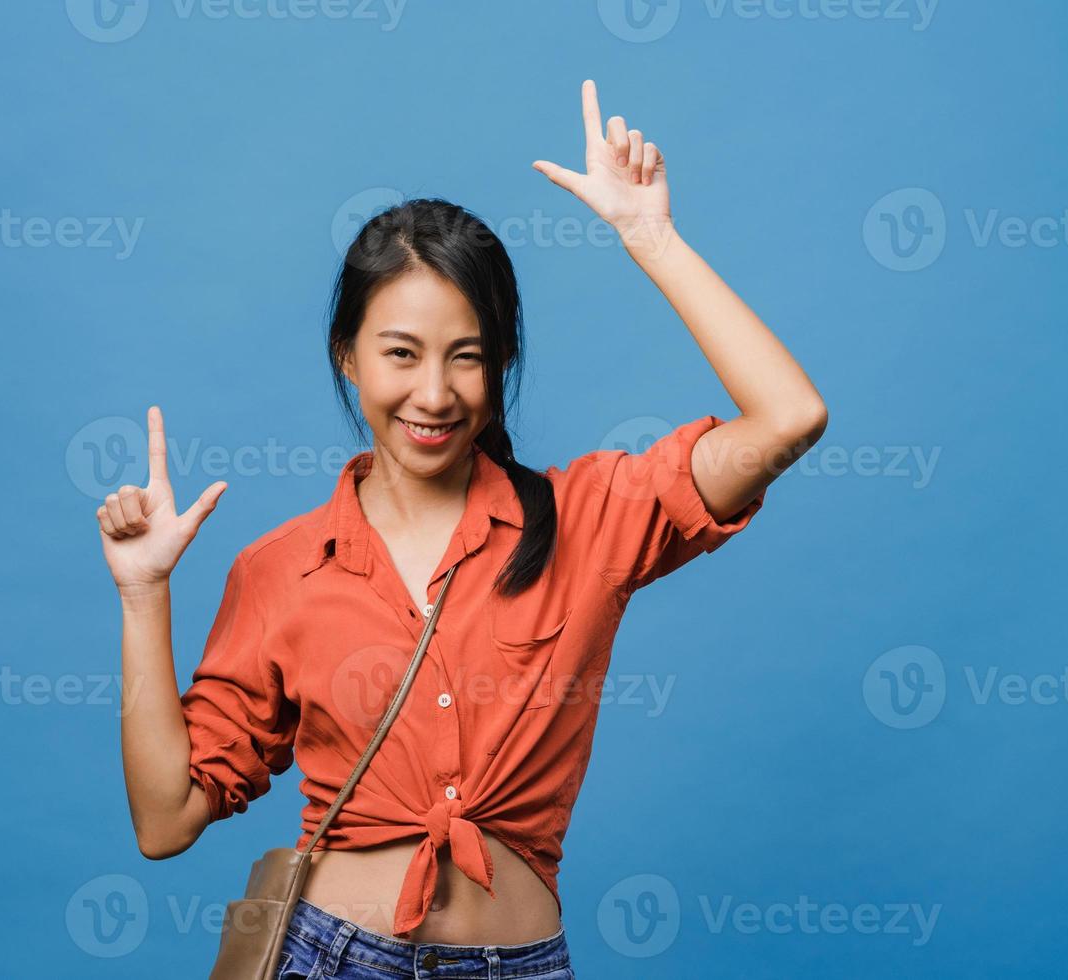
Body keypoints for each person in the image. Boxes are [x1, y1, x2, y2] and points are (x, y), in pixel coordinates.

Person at [97, 79, 827, 979]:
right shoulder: (281, 570)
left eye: (467, 356)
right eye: (401, 353)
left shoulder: (588, 521)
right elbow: (166, 821)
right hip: (330, 958)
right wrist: (142, 595)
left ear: (501, 364)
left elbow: (788, 416)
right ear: (349, 358)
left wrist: (650, 236)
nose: (434, 394)